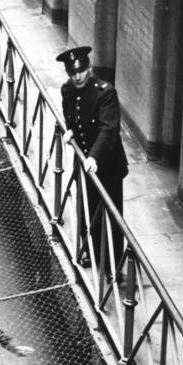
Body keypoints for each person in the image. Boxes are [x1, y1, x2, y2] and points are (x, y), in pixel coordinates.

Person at [58, 46, 128, 278]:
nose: (77, 77)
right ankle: (91, 249)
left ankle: (114, 265)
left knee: (111, 211)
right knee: (87, 207)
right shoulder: (67, 90)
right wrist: (70, 132)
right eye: (72, 73)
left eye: (81, 72)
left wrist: (94, 157)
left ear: (89, 69)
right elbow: (73, 117)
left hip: (107, 165)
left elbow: (109, 129)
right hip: (85, 163)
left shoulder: (105, 92)